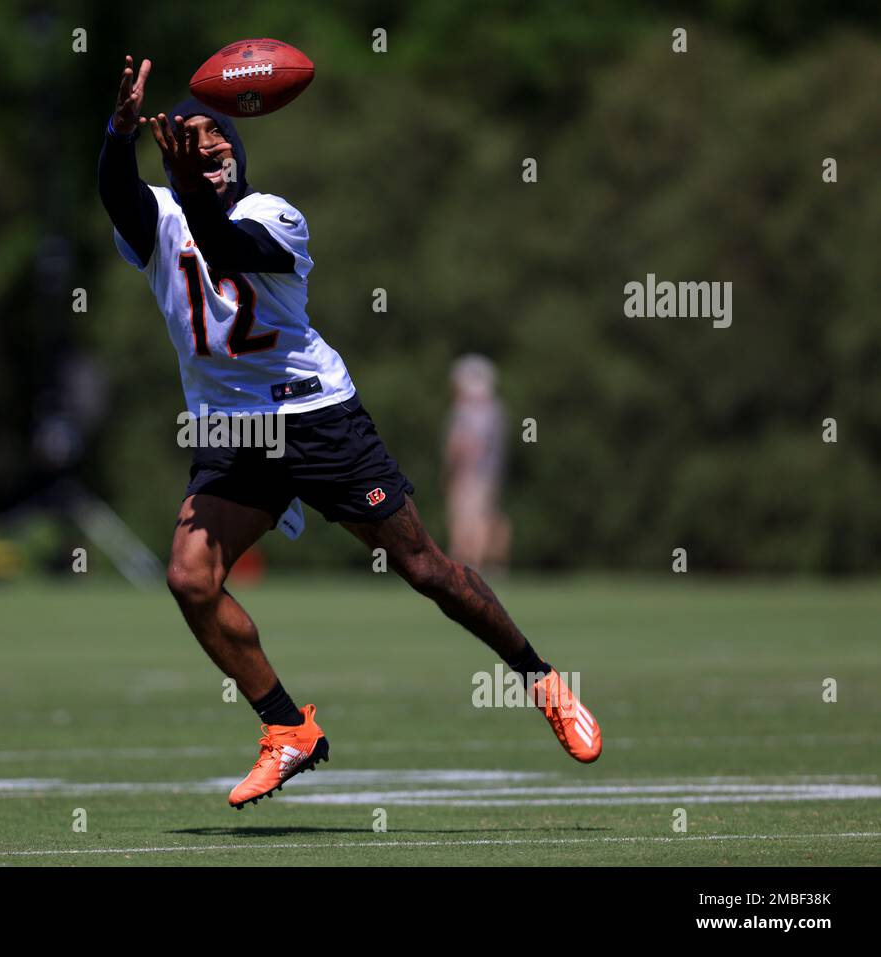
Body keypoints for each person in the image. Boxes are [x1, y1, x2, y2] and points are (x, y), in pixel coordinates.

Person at [98, 56, 600, 809]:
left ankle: (542, 679)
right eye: (188, 135)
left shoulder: (275, 216)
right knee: (189, 579)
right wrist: (119, 132)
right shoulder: (162, 218)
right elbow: (115, 194)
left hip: (317, 417)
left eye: (213, 136)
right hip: (237, 433)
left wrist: (190, 179)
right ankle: (286, 727)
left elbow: (228, 247)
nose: (201, 145)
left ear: (236, 152)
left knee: (426, 568)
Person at [443, 355, 511, 572]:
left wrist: (450, 471)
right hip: (487, 474)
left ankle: (468, 568)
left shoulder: (470, 411)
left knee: (468, 520)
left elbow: (462, 446)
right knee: (482, 518)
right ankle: (477, 567)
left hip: (470, 474)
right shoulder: (494, 410)